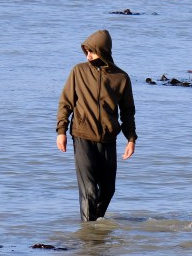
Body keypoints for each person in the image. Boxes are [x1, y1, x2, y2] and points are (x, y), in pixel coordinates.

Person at [56, 29, 137, 221]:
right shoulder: (79, 71)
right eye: (86, 51)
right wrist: (61, 131)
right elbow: (65, 102)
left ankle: (94, 231)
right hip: (82, 135)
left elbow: (127, 111)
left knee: (108, 190)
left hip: (108, 138)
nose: (88, 55)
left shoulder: (121, 78)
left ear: (103, 50)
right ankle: (89, 236)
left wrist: (131, 138)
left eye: (92, 51)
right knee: (89, 190)